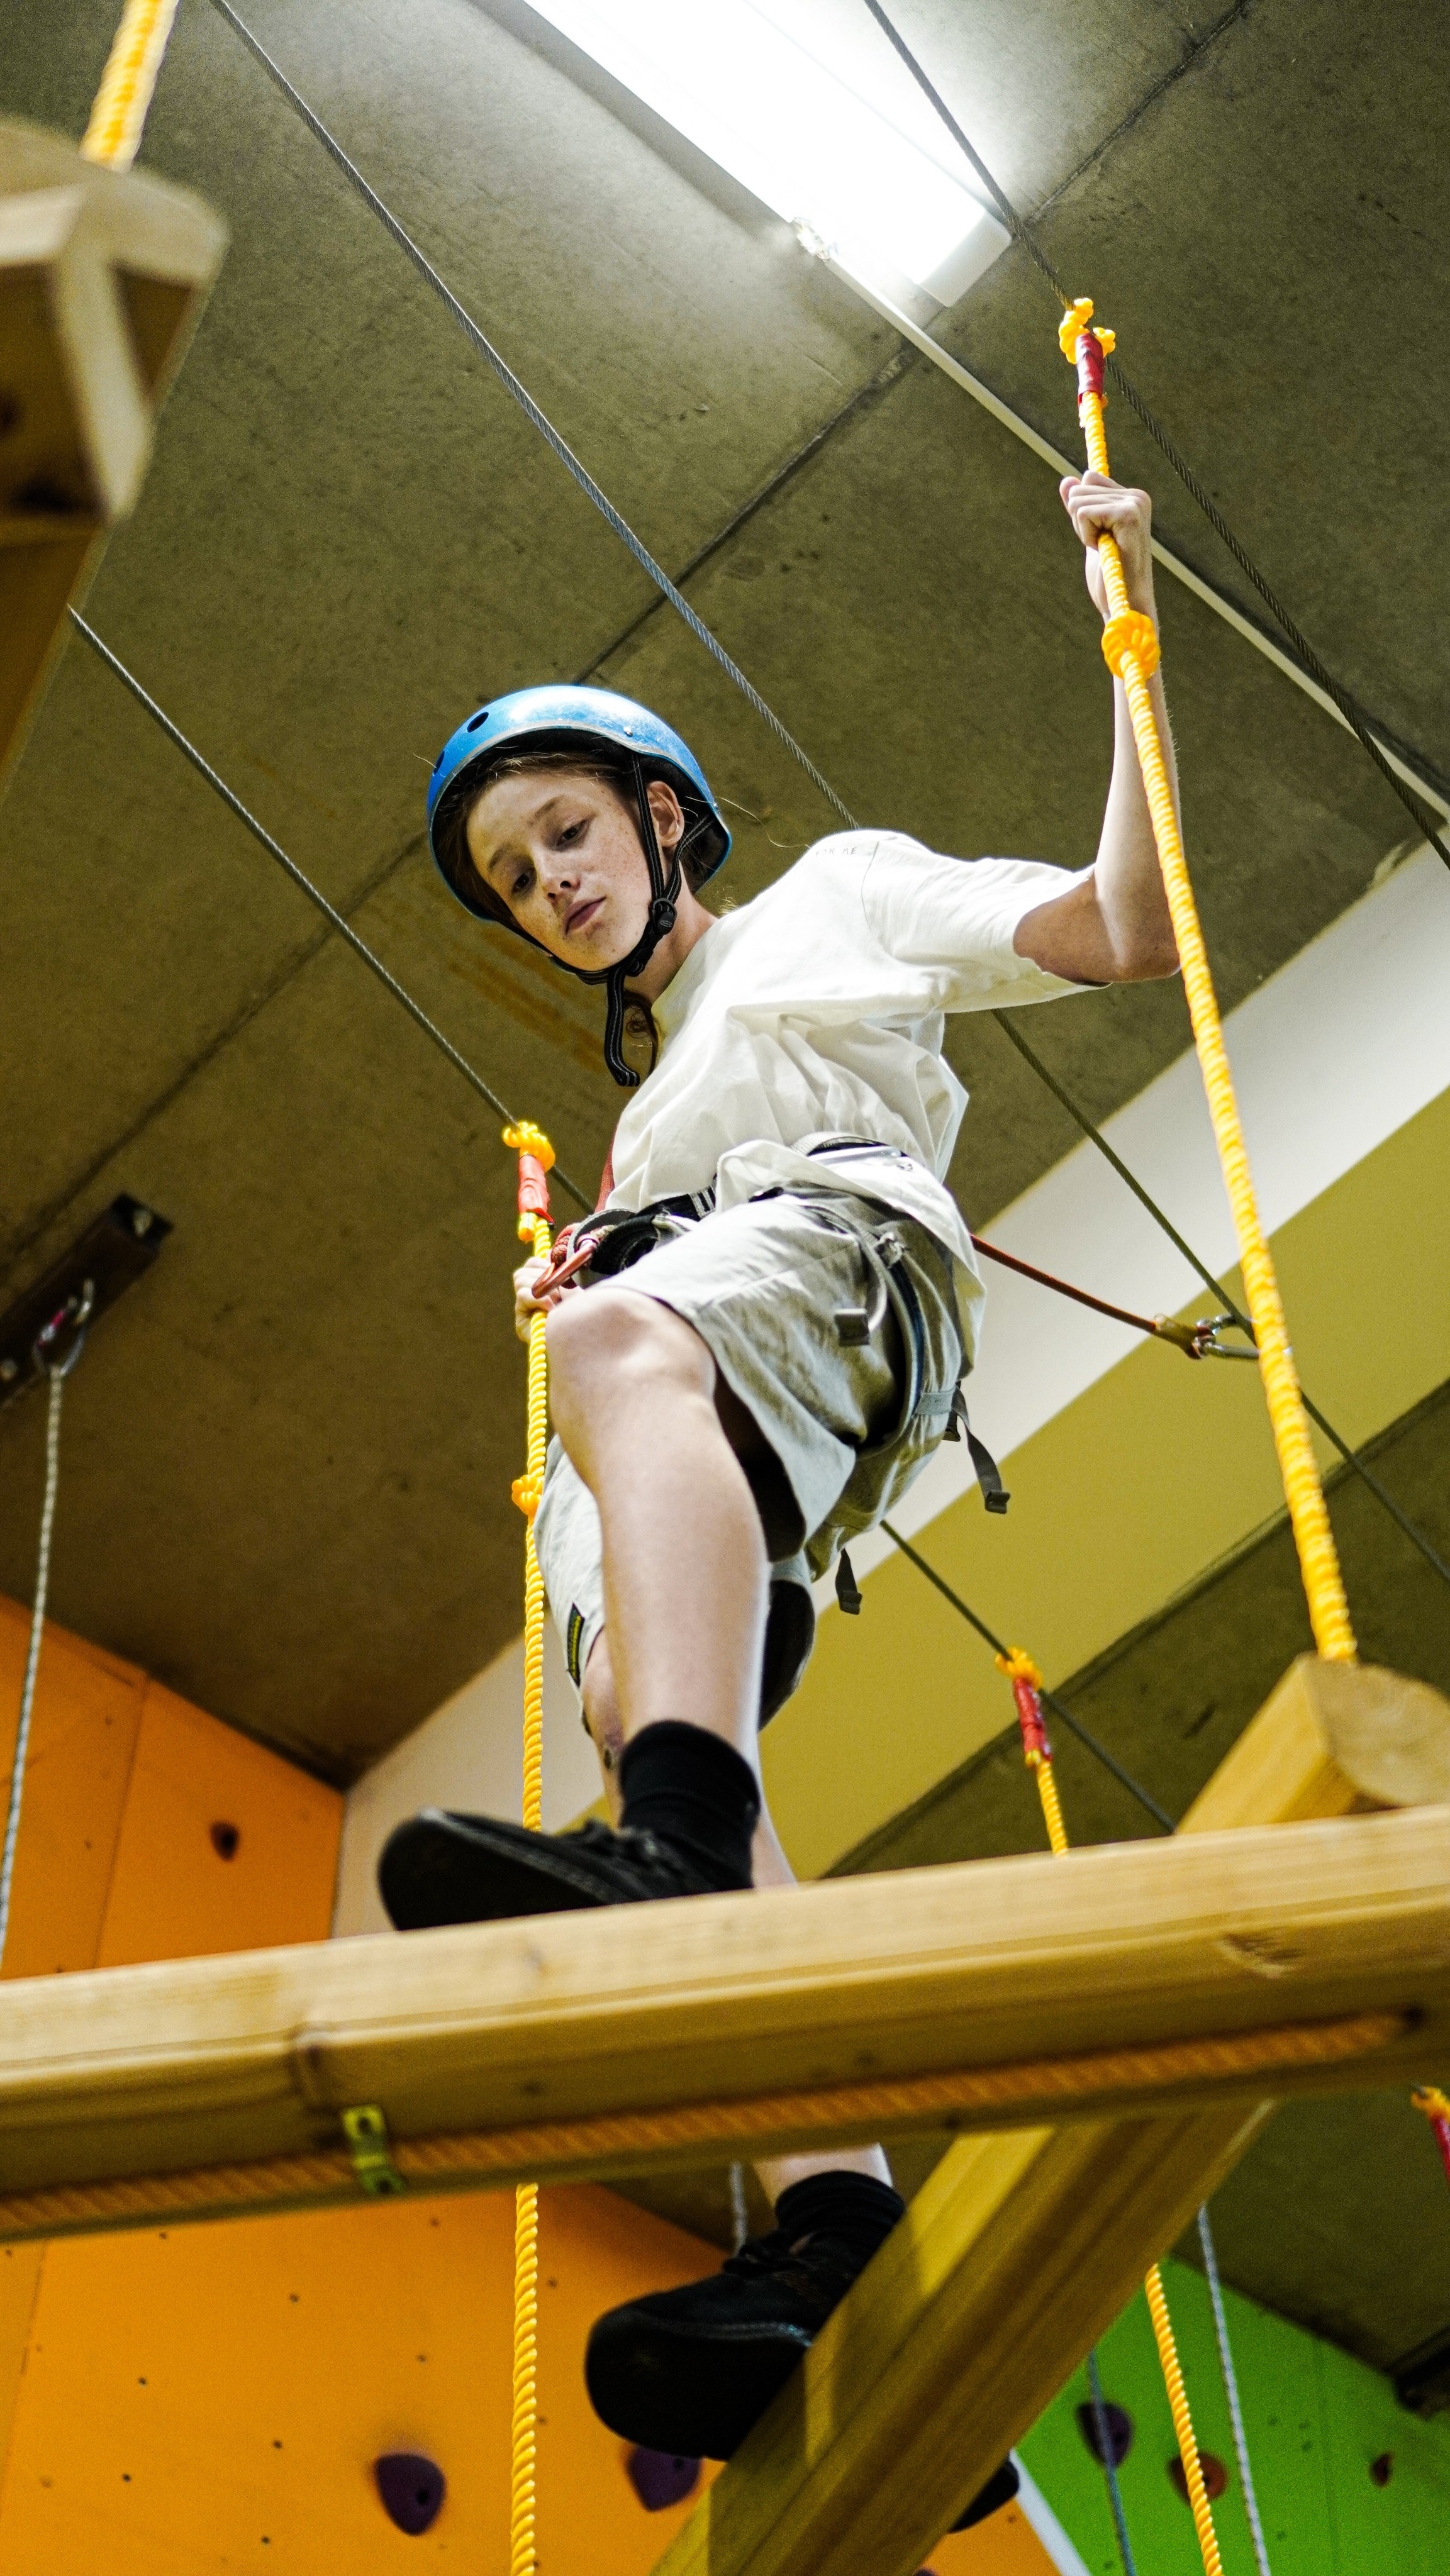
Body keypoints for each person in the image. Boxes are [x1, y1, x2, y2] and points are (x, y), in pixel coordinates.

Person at [379, 472, 1180, 2502]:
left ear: (661, 813)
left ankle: (666, 1857)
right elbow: (654, 1272)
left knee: (615, 1379)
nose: (549, 886)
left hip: (836, 1256)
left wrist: (1130, 626)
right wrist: (621, 1241)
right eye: (514, 877)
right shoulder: (647, 1122)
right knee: (614, 1690)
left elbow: (1120, 929)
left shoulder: (831, 898)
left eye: (566, 832)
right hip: (731, 1317)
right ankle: (833, 2225)